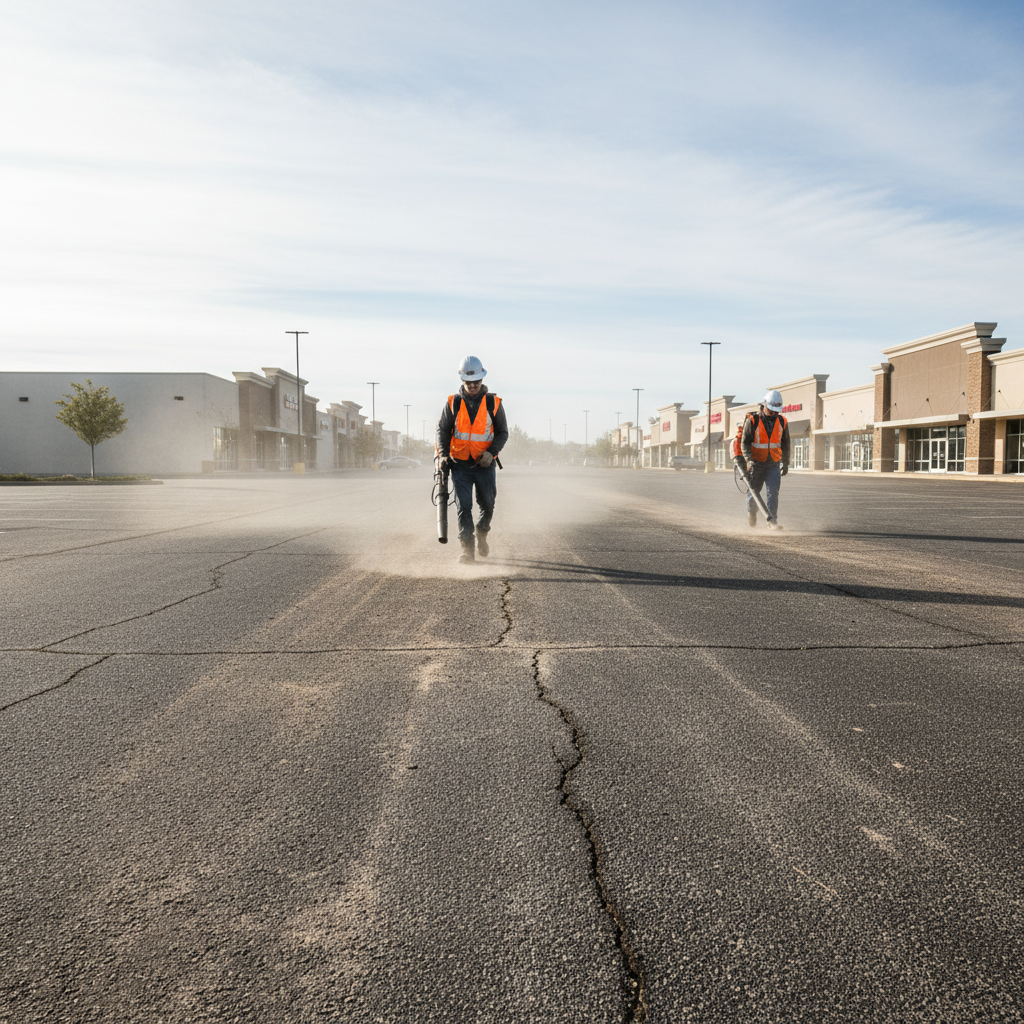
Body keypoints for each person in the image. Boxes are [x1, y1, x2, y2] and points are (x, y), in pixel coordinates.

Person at [435, 356, 508, 563]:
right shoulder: (453, 403)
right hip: (460, 465)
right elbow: (442, 430)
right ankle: (468, 550)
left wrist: (491, 453)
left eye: (476, 382)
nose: (473, 386)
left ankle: (482, 532)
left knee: (488, 505)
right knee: (463, 506)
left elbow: (503, 432)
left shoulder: (493, 403)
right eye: (469, 383)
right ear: (462, 381)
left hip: (484, 464)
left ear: (482, 380)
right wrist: (442, 454)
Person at [740, 389, 790, 530]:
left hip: (773, 463)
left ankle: (772, 521)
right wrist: (749, 460)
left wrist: (785, 462)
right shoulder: (753, 421)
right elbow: (744, 443)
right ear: (764, 406)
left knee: (773, 492)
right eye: (771, 411)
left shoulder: (782, 421)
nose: (774, 414)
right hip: (756, 463)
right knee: (753, 493)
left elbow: (786, 444)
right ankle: (752, 512)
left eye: (776, 412)